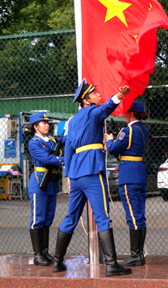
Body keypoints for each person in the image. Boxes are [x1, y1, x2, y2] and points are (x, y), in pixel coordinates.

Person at [52, 79, 132, 276]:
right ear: (86, 100)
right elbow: (106, 108)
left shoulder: (73, 120)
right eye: (94, 93)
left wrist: (69, 175)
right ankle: (111, 265)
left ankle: (57, 262)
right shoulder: (92, 112)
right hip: (92, 170)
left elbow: (68, 149)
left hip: (76, 174)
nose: (98, 94)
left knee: (71, 217)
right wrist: (119, 96)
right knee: (102, 217)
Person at [105, 101, 149, 267]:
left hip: (129, 174)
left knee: (133, 215)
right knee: (139, 214)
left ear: (130, 113)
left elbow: (113, 149)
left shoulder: (128, 130)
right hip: (139, 173)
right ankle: (138, 254)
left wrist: (110, 140)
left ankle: (136, 255)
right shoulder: (142, 129)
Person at [27, 112, 65, 266]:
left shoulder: (51, 141)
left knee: (48, 219)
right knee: (38, 219)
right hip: (40, 183)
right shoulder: (34, 143)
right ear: (36, 127)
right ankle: (38, 255)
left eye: (48, 123)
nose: (47, 125)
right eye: (44, 123)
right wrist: (64, 160)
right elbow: (46, 158)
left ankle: (44, 252)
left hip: (51, 183)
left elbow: (66, 141)